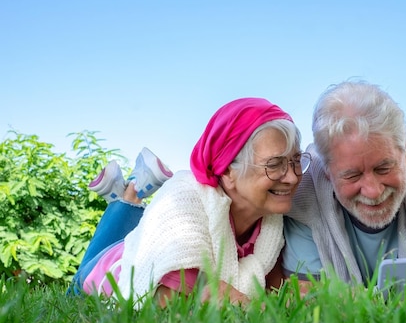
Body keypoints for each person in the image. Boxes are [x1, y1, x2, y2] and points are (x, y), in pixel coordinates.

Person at [70, 97, 309, 307]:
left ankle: (128, 193)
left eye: (296, 160)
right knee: (79, 279)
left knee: (131, 226)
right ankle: (127, 197)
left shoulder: (272, 224)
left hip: (136, 241)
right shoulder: (185, 210)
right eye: (274, 165)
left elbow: (276, 290)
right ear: (227, 172)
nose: (293, 176)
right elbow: (169, 306)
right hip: (106, 270)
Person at [282, 80, 406, 288]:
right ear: (327, 172)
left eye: (384, 168)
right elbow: (309, 299)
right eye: (352, 176)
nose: (372, 192)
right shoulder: (306, 196)